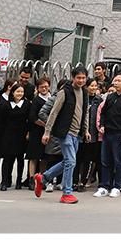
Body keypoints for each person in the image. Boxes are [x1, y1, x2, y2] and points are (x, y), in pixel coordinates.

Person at [36, 65, 91, 205]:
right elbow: (54, 112)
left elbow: (85, 113)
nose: (81, 80)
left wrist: (86, 130)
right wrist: (47, 132)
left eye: (83, 78)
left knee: (67, 161)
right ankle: (67, 193)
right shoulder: (64, 92)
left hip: (77, 134)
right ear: (73, 78)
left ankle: (43, 178)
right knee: (71, 162)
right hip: (64, 133)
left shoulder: (84, 92)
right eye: (78, 78)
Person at [95, 72, 121, 198]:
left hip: (120, 134)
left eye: (119, 81)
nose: (115, 83)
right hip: (107, 133)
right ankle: (104, 186)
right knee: (105, 160)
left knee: (118, 161)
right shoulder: (110, 97)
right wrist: (102, 125)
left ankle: (117, 186)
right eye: (115, 80)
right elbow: (103, 113)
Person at [0, 83, 30, 191]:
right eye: (18, 91)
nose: (20, 94)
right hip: (8, 134)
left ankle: (18, 182)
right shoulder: (6, 105)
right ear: (13, 92)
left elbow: (29, 120)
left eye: (21, 92)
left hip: (21, 135)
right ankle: (4, 182)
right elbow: (1, 121)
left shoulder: (26, 105)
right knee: (7, 159)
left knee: (20, 159)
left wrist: (28, 133)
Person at [75, 78, 101, 191]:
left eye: (95, 86)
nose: (93, 88)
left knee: (88, 159)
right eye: (91, 86)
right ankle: (74, 181)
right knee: (76, 159)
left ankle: (84, 181)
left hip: (93, 134)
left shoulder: (99, 100)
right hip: (79, 133)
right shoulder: (81, 98)